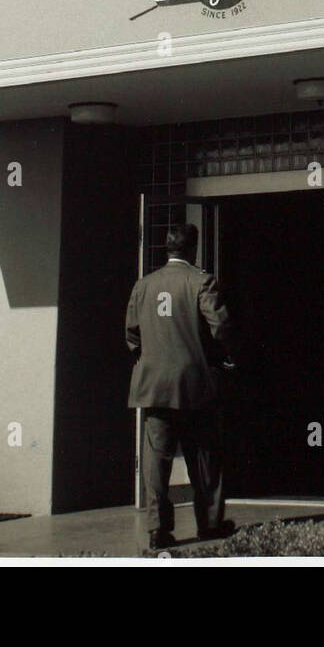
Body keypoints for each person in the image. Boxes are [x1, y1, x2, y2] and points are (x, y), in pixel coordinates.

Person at [125, 222, 236, 549]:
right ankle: (210, 523)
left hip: (154, 386)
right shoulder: (202, 282)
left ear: (167, 249)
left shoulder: (143, 286)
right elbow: (221, 327)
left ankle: (158, 528)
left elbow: (131, 334)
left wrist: (150, 360)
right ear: (193, 249)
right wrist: (223, 358)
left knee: (156, 461)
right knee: (204, 457)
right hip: (195, 386)